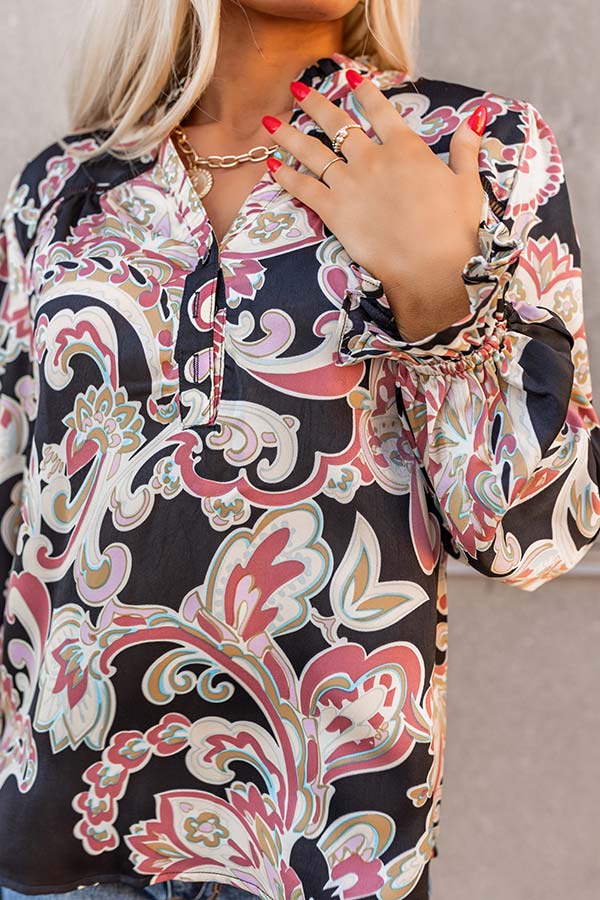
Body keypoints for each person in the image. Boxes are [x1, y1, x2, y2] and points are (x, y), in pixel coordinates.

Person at [0, 1, 598, 899]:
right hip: (59, 829)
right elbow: (17, 498)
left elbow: (536, 535)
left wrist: (438, 289)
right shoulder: (63, 185)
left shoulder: (471, 144)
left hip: (330, 841)